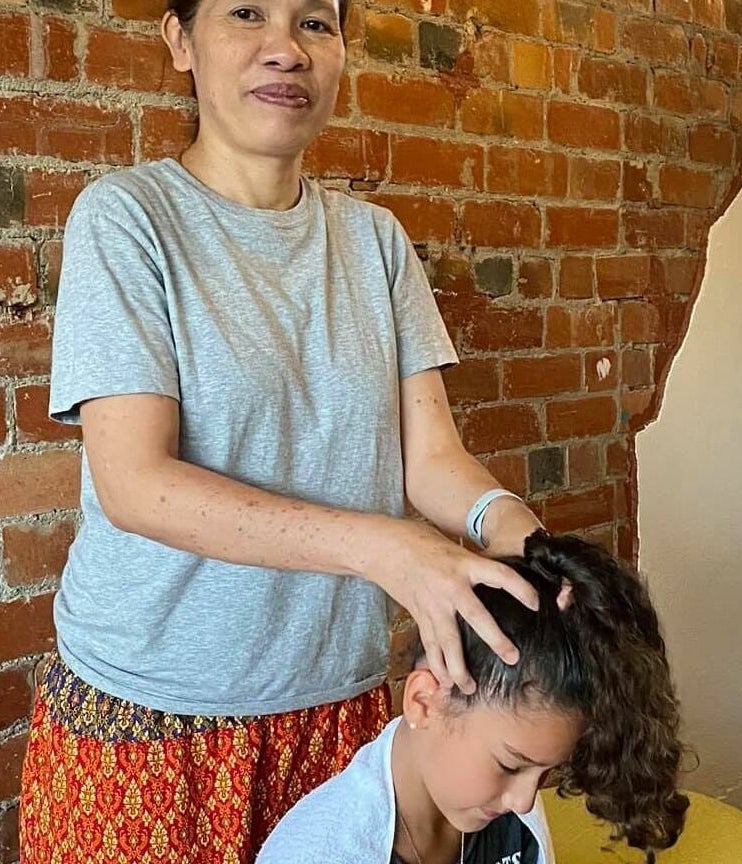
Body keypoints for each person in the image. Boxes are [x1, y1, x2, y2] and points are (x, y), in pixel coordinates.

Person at [20, 0, 545, 861]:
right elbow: (136, 484)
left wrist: (510, 526)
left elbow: (431, 457)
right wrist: (387, 550)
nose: (285, 51)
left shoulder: (376, 243)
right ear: (181, 40)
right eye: (248, 14)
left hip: (333, 708)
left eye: (315, 24)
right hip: (156, 718)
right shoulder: (127, 219)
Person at [257, 531, 690, 864]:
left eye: (544, 774)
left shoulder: (509, 822)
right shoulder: (320, 850)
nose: (524, 801)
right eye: (510, 766)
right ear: (424, 702)